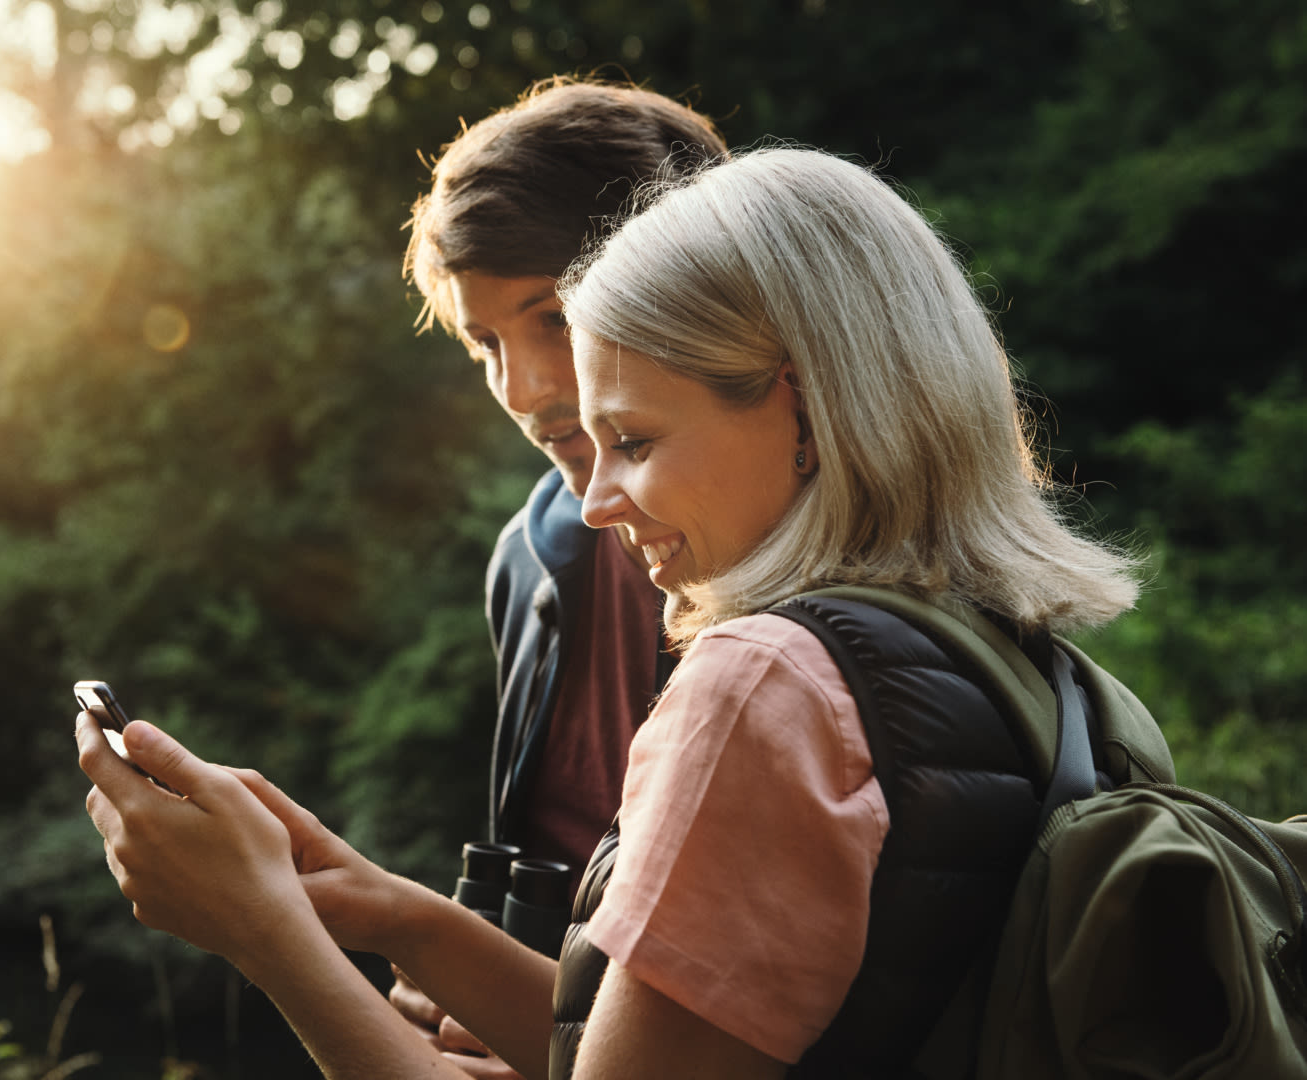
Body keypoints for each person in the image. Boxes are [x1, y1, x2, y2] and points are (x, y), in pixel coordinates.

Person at [78, 146, 1162, 1078]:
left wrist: (264, 934)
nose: (594, 503)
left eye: (634, 442)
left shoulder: (763, 685)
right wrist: (398, 915)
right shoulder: (1029, 667)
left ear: (807, 408)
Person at [392, 78, 725, 1075]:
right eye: (484, 342)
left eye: (555, 315)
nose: (528, 392)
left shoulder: (836, 593)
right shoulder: (534, 557)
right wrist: (464, 974)